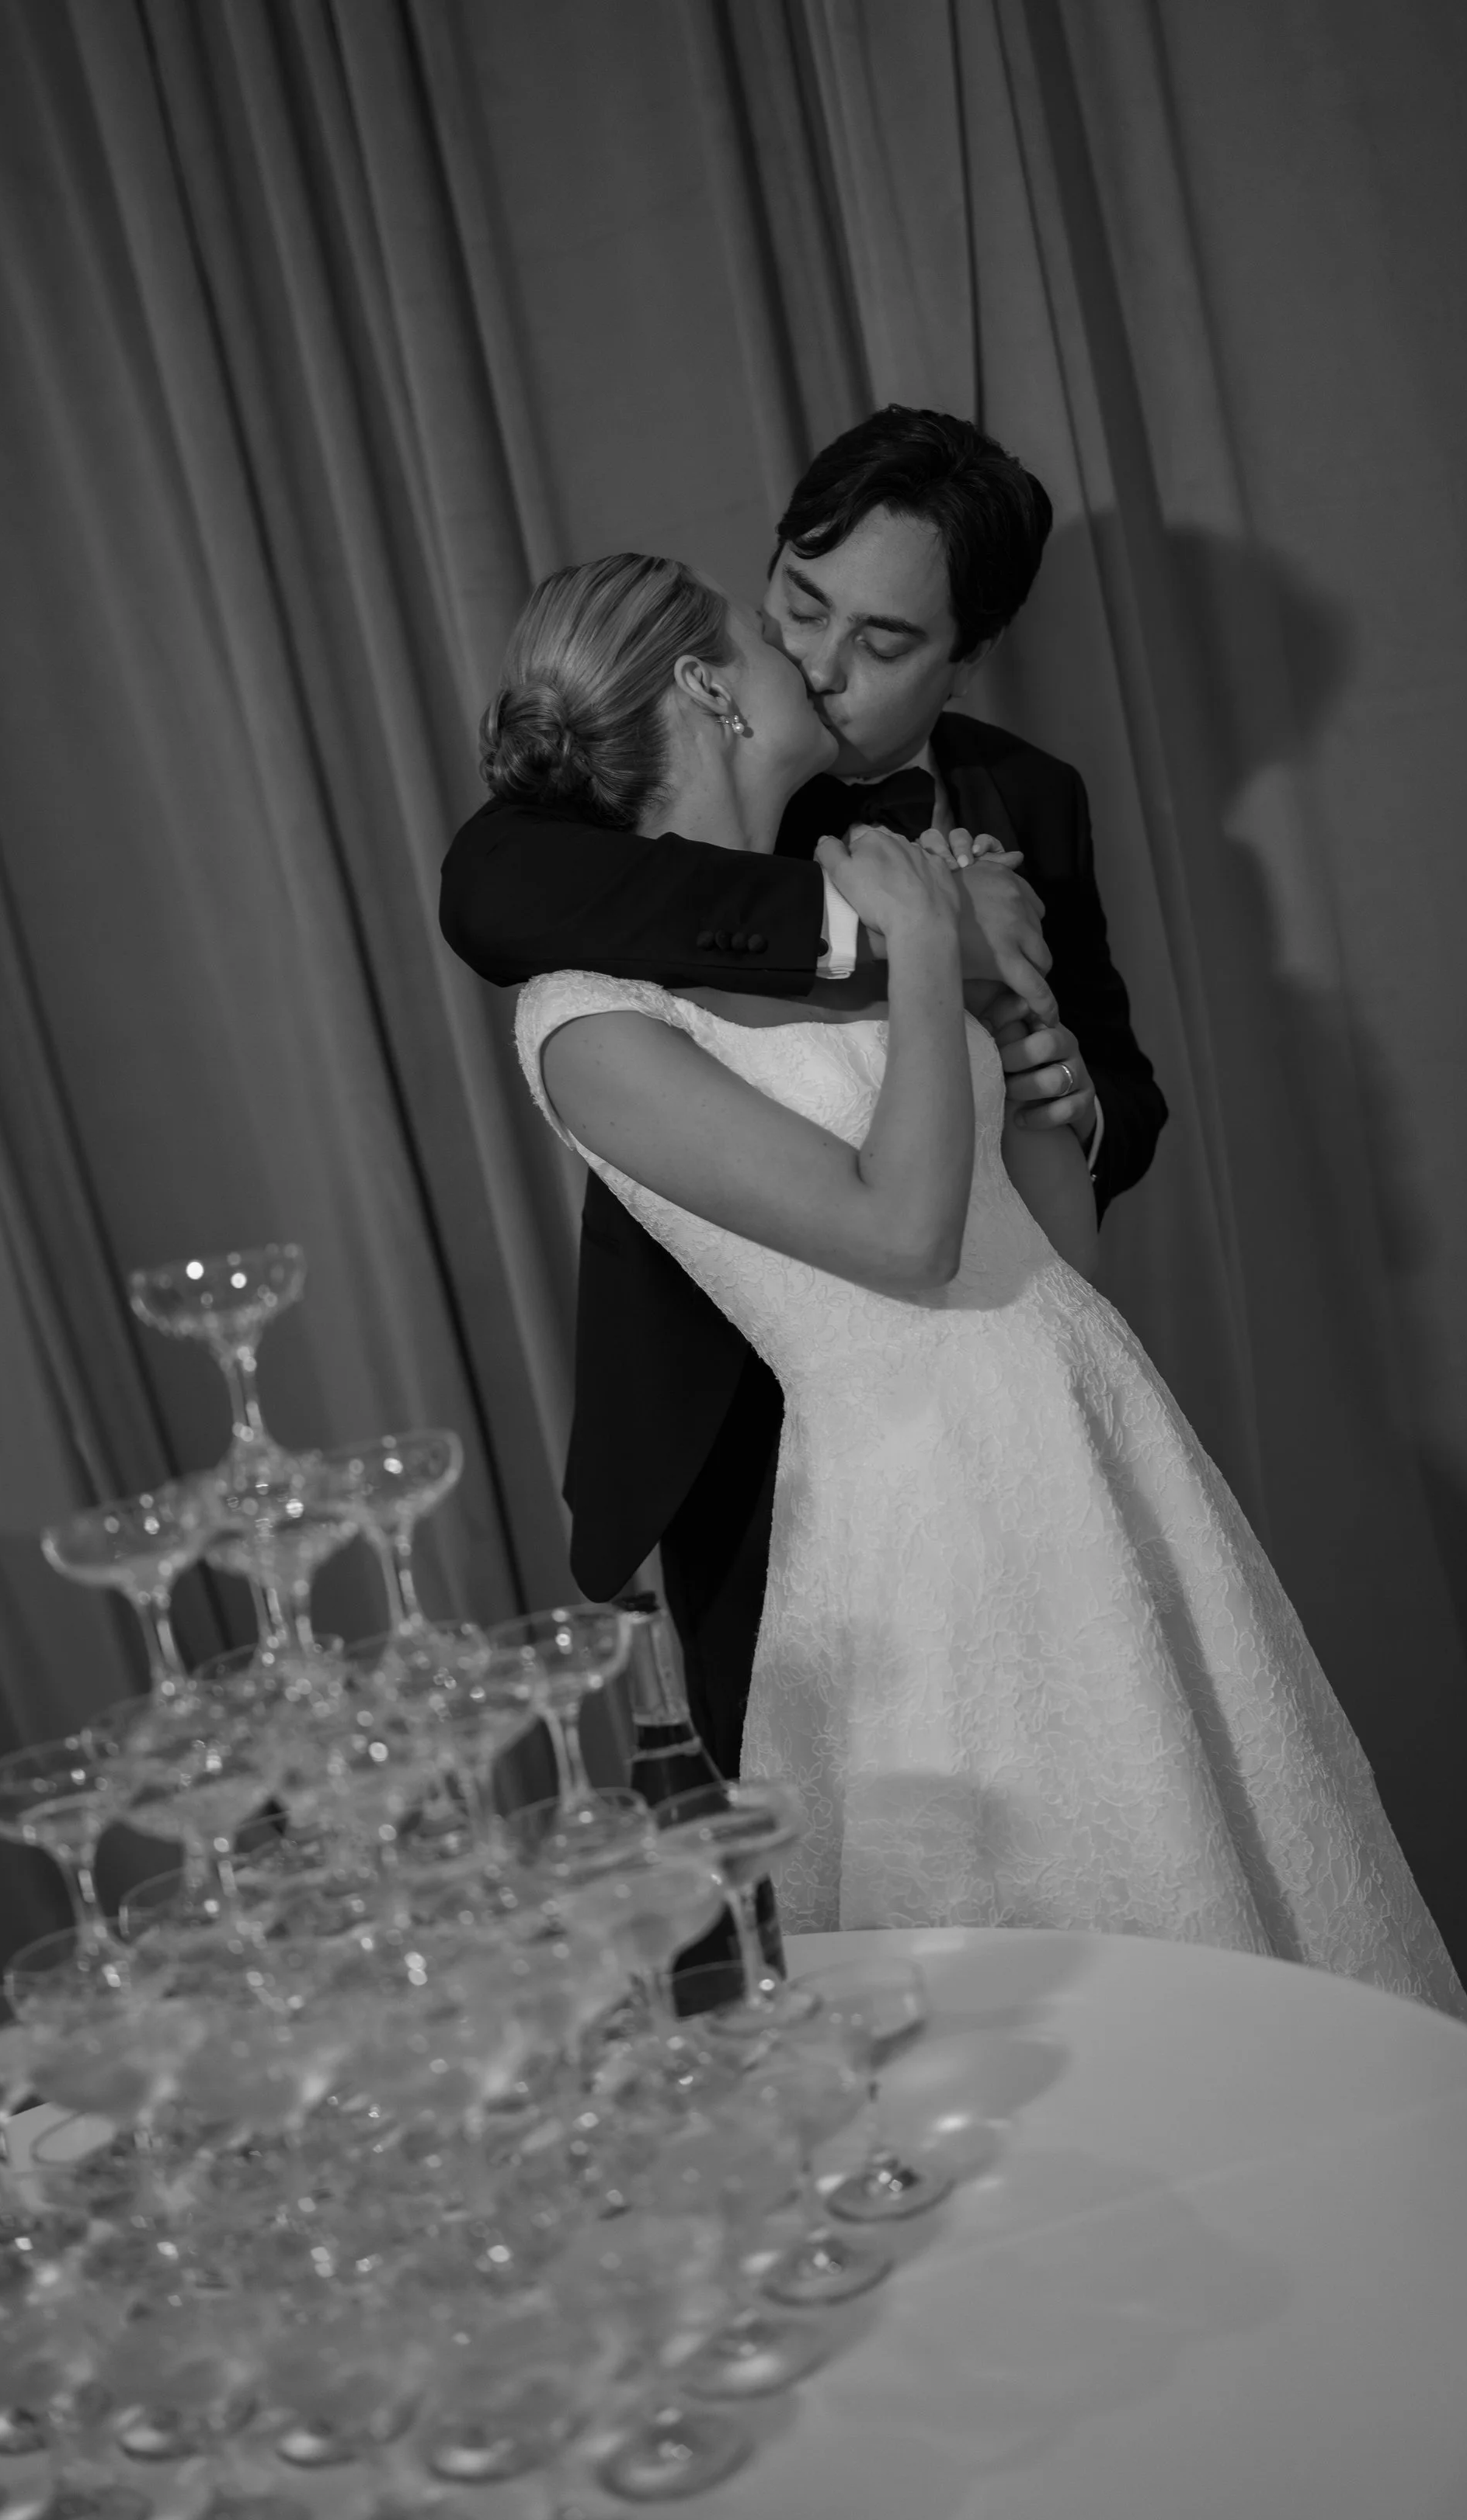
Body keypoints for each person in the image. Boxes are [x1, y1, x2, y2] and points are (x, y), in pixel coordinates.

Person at [488, 548, 1467, 2015]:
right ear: (705, 686)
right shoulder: (586, 1015)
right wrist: (933, 947)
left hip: (1092, 1428)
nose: (806, 662)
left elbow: (1042, 1258)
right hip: (916, 1500)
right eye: (769, 637)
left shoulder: (845, 900)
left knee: (1236, 1879)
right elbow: (898, 1242)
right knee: (1051, 1957)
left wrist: (1031, 1055)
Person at [442, 407, 1166, 1775]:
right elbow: (487, 896)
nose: (824, 668)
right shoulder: (594, 819)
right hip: (738, 1438)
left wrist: (1070, 1088)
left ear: (965, 658)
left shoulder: (1027, 800)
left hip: (1018, 1378)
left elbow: (1120, 1084)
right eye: (800, 608)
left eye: (885, 643)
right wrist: (891, 920)